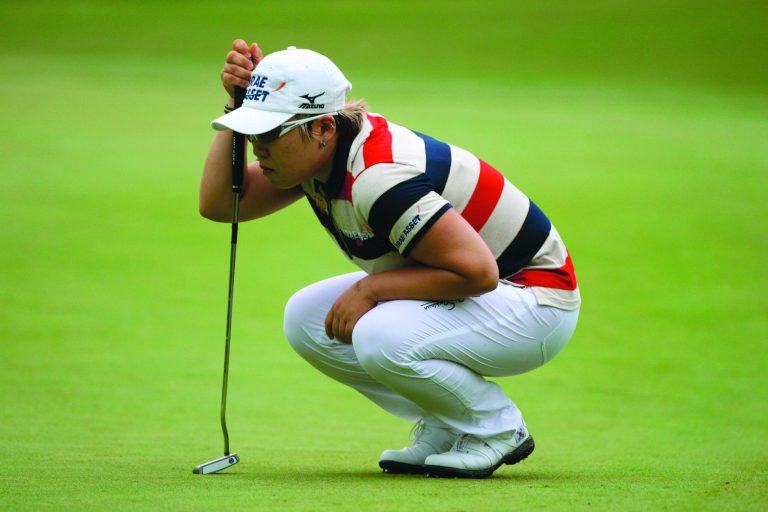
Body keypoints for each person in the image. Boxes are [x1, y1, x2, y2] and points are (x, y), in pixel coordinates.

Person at [200, 39, 581, 479]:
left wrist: (370, 288)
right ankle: (447, 423)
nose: (256, 147)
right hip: (486, 295)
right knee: (306, 318)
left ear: (323, 128)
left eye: (269, 133)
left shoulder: (377, 176)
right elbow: (220, 205)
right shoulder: (318, 158)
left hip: (535, 302)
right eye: (251, 132)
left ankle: (497, 429)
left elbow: (477, 272)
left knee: (379, 334)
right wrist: (237, 107)